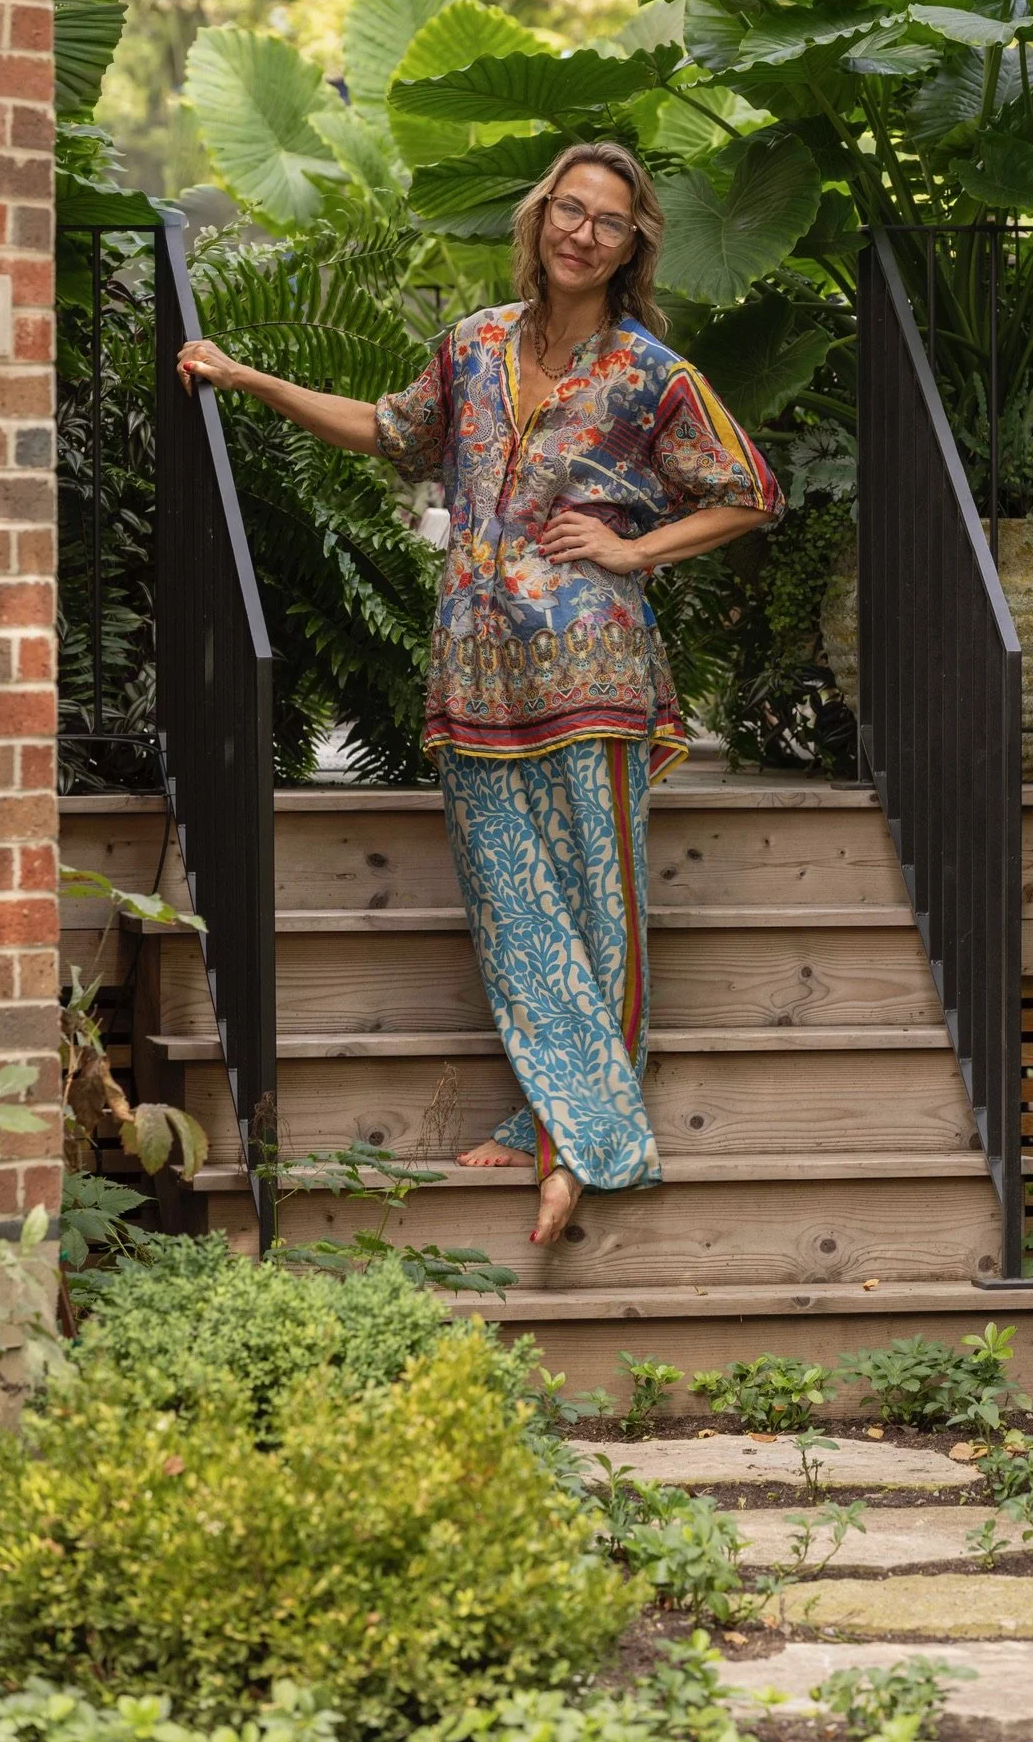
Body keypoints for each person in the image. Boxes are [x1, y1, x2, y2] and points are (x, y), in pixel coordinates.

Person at [178, 140, 783, 1247]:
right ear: (539, 217)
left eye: (605, 220)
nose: (578, 231)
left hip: (595, 668)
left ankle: (573, 1145)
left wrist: (633, 550)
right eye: (567, 208)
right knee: (513, 909)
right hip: (475, 669)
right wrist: (252, 380)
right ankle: (564, 1114)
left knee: (601, 909)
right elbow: (391, 432)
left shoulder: (651, 373)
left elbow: (748, 490)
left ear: (630, 245)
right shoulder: (470, 347)